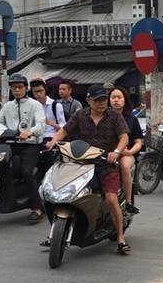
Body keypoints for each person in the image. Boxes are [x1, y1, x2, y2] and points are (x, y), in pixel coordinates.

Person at [46, 84, 130, 253]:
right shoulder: (80, 115)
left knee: (111, 199)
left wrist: (116, 152)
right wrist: (53, 141)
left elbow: (124, 137)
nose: (101, 103)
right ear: (88, 101)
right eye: (97, 100)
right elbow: (64, 130)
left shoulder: (114, 116)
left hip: (106, 164)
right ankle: (54, 234)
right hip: (81, 164)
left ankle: (120, 237)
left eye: (103, 99)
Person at [0, 73, 46, 222]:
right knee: (0, 166)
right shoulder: (7, 106)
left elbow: (40, 124)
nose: (17, 90)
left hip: (30, 145)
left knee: (26, 172)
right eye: (14, 87)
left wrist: (29, 132)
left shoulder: (35, 105)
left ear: (26, 88)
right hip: (11, 144)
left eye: (20, 87)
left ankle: (36, 208)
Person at [109, 85, 143, 215]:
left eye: (119, 97)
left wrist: (129, 152)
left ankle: (128, 202)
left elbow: (138, 142)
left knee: (124, 166)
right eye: (113, 97)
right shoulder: (103, 117)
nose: (116, 100)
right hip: (106, 153)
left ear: (124, 100)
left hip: (125, 154)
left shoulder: (132, 119)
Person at [32, 78, 65, 177]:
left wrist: (50, 123)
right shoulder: (32, 106)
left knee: (48, 157)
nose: (38, 94)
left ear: (45, 90)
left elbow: (64, 128)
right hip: (36, 137)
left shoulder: (56, 105)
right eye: (35, 92)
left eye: (40, 91)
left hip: (51, 137)